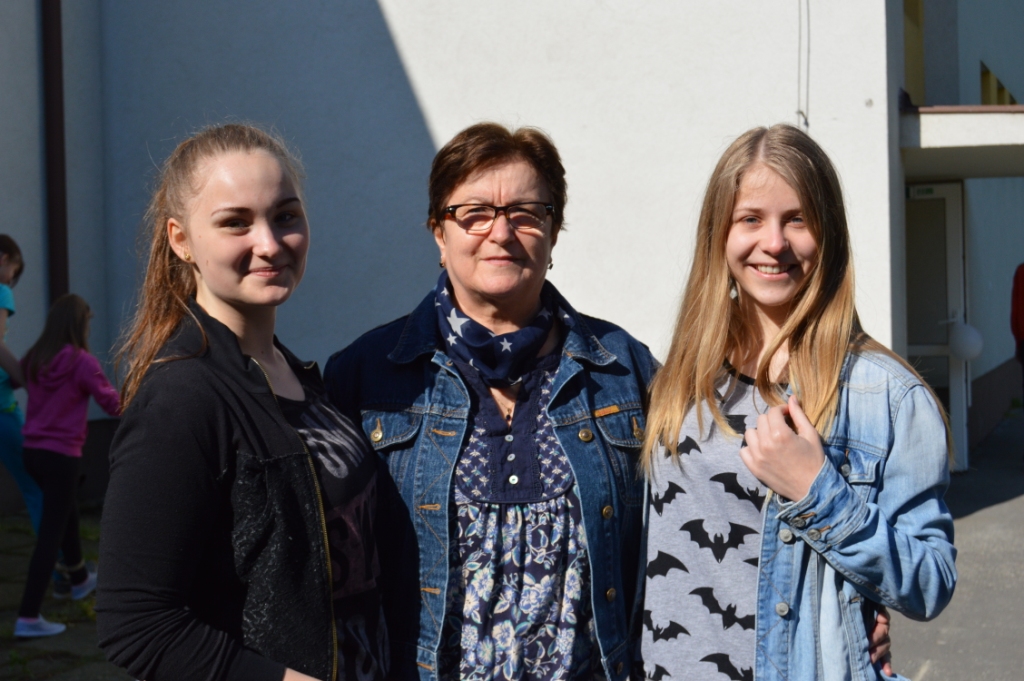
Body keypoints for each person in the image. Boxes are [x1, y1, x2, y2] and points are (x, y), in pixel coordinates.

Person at [325, 123, 659, 681]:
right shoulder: (368, 375)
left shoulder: (624, 370)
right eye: (475, 213)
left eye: (526, 213)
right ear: (439, 233)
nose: (501, 233)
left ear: (553, 231)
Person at [640, 124, 956, 681]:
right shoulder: (677, 379)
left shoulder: (885, 396)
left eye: (798, 219)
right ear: (719, 233)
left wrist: (820, 494)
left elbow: (930, 581)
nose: (774, 243)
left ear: (827, 234)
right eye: (750, 219)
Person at [96, 124, 387, 681]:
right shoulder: (182, 397)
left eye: (286, 216)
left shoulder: (298, 376)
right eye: (236, 222)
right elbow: (135, 623)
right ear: (181, 239)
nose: (270, 244)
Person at [14, 294, 120, 637]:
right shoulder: (82, 362)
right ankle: (28, 617)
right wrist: (143, 403)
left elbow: (16, 381)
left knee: (65, 511)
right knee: (51, 534)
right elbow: (112, 403)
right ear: (79, 324)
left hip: (32, 453)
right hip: (61, 456)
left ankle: (79, 579)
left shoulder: (35, 358)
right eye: (87, 323)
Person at [0, 235, 43, 532]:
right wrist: (28, 382)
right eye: (12, 273)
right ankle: (58, 557)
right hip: (2, 410)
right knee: (35, 483)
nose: (10, 281)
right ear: (3, 259)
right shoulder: (1, 291)